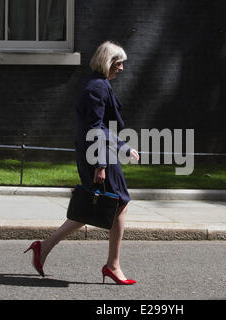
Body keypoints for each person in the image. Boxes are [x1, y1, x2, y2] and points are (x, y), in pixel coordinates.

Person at [24, 41, 140, 285]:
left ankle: (43, 248)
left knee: (94, 205)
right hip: (98, 154)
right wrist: (100, 164)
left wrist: (122, 147)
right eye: (118, 63)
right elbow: (95, 128)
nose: (121, 68)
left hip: (99, 152)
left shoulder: (99, 84)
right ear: (107, 62)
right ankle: (113, 265)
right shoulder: (96, 88)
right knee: (119, 203)